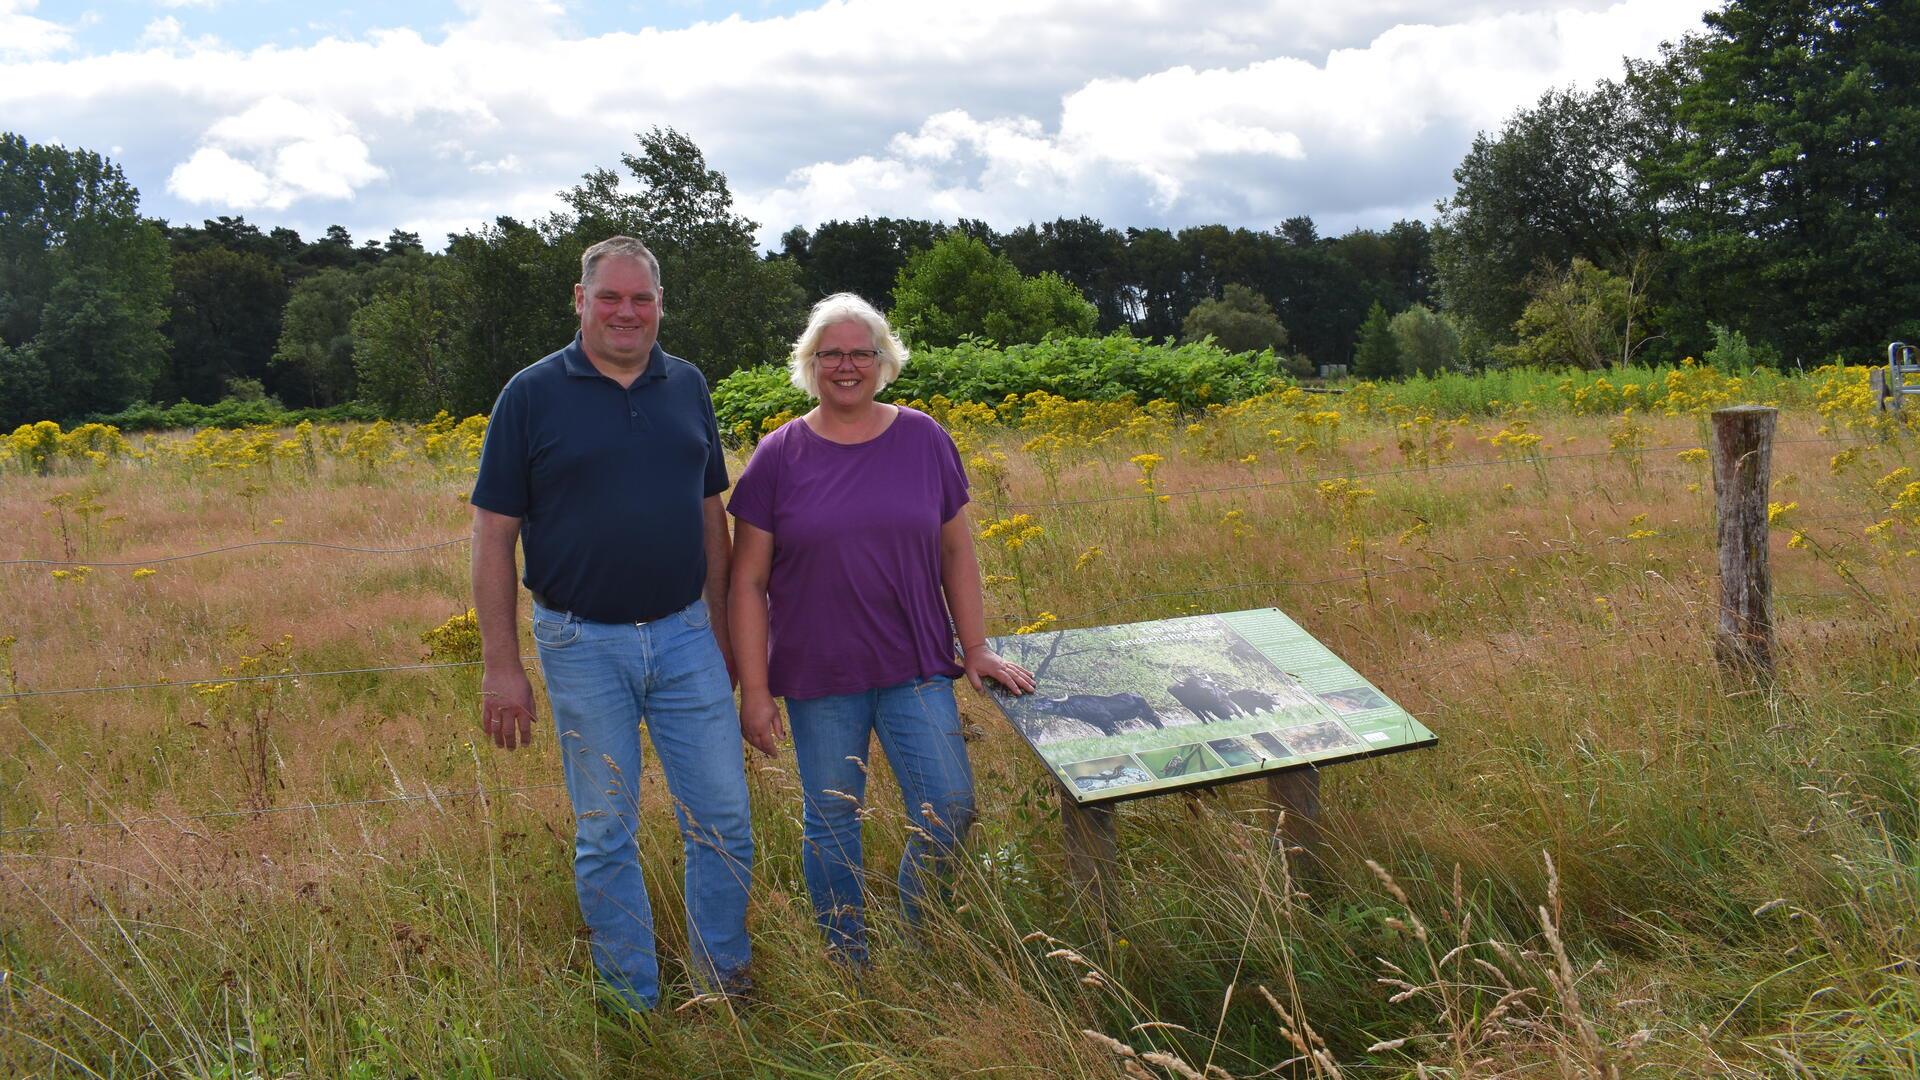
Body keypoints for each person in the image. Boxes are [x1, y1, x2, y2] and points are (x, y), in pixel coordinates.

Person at [469, 235, 758, 1013]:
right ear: (580, 300)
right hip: (578, 642)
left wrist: (725, 637)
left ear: (661, 305)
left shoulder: (687, 385)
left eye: (641, 299)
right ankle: (633, 1001)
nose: (626, 312)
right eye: (610, 297)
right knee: (606, 831)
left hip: (686, 634)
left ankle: (722, 986)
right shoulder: (530, 395)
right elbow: (494, 536)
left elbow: (712, 522)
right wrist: (502, 665)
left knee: (724, 820)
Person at [728, 292, 1034, 967]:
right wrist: (754, 689)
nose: (846, 365)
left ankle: (916, 936)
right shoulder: (779, 456)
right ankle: (849, 958)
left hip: (917, 665)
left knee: (949, 806)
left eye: (860, 352)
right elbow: (745, 582)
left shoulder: (924, 438)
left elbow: (957, 551)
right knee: (834, 821)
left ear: (883, 360)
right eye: (830, 353)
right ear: (810, 364)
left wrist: (975, 646)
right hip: (820, 672)